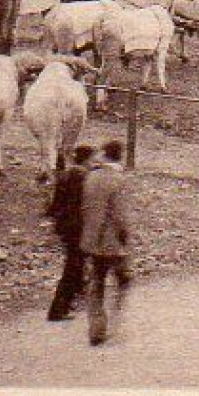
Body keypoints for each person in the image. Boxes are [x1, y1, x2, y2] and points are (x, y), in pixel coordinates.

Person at [79, 140, 132, 346]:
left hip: (92, 239)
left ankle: (96, 327)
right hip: (113, 241)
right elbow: (119, 214)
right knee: (123, 280)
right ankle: (115, 323)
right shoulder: (118, 179)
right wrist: (124, 234)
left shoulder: (91, 177)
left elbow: (86, 208)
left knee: (97, 282)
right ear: (119, 156)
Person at [46, 145, 96, 321]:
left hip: (66, 228)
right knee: (72, 268)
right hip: (77, 229)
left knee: (76, 265)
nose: (93, 163)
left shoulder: (65, 175)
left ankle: (72, 300)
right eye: (92, 160)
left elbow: (53, 206)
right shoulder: (82, 178)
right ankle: (58, 309)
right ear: (86, 159)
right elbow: (84, 206)